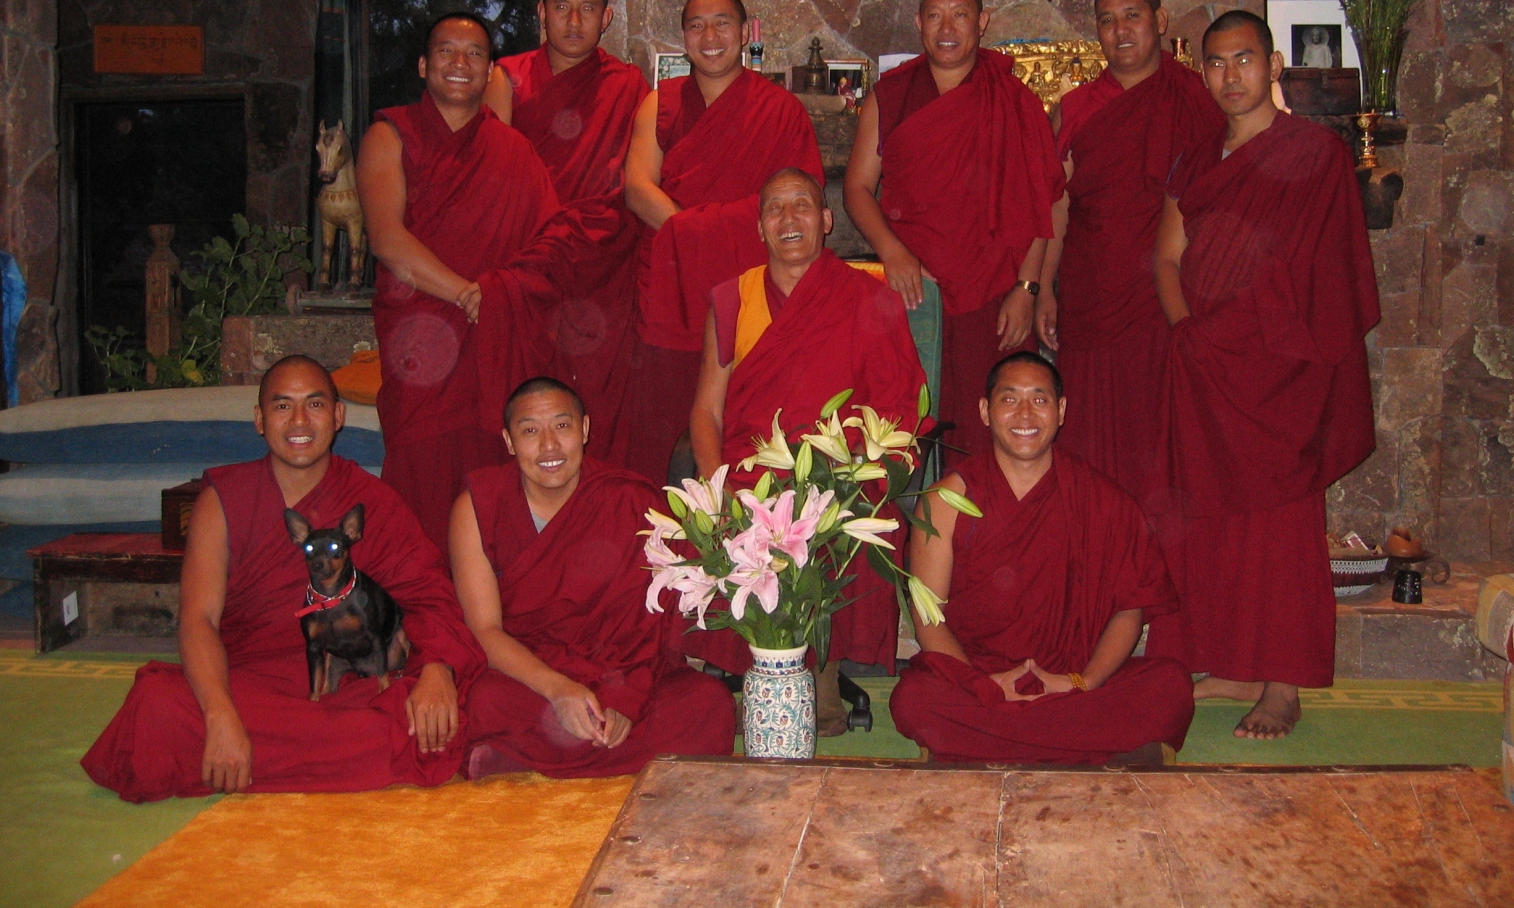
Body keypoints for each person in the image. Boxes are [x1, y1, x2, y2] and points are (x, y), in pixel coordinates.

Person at [82, 356, 483, 802]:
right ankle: (276, 749)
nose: (299, 421)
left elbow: (429, 596)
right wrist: (220, 716)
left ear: (338, 416)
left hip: (338, 681)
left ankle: (251, 757)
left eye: (315, 404)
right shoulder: (223, 501)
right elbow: (198, 620)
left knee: (426, 713)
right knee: (158, 703)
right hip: (247, 682)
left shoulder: (372, 502)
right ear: (259, 419)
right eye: (282, 406)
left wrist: (437, 669)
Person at [1148, 10, 1378, 739]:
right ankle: (1232, 663)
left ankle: (1284, 683)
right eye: (1216, 63)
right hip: (1203, 363)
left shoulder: (1315, 154)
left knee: (1282, 527)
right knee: (1204, 521)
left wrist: (1249, 341)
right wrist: (1188, 331)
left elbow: (1327, 276)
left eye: (1244, 59)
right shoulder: (1197, 158)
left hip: (1279, 372)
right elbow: (1166, 256)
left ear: (1273, 65)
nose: (1230, 76)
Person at [687, 167, 926, 724]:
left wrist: (857, 474)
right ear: (760, 228)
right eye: (774, 208)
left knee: (844, 520)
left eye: (801, 205)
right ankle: (760, 663)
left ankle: (822, 668)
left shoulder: (868, 298)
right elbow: (706, 410)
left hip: (839, 473)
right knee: (734, 522)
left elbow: (899, 407)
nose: (788, 218)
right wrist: (714, 488)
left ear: (826, 220)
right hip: (751, 473)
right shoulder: (734, 298)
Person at [889, 352, 1195, 764]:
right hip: (978, 681)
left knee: (1170, 687)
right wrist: (983, 686)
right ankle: (1084, 743)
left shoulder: (1101, 499)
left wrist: (1083, 682)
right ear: (985, 411)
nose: (1025, 414)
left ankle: (998, 742)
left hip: (1070, 684)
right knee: (913, 699)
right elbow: (929, 616)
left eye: (1040, 399)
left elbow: (1130, 610)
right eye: (1009, 399)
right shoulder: (945, 501)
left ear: (1061, 410)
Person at [449, 377, 735, 777]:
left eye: (562, 426)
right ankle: (582, 756)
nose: (549, 445)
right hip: (532, 676)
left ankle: (520, 759)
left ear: (584, 429)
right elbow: (484, 630)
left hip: (621, 674)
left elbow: (647, 629)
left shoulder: (628, 501)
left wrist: (622, 700)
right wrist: (559, 690)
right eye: (530, 431)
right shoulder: (479, 507)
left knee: (708, 702)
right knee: (483, 700)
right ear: (509, 441)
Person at [357, 13, 561, 552]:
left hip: (492, 344)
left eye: (474, 54)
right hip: (421, 345)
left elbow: (547, 248)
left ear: (490, 71)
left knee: (493, 485)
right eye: (446, 51)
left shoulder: (513, 151)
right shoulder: (388, 136)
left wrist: (497, 297)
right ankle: (421, 599)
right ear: (424, 65)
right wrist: (469, 294)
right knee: (420, 481)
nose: (460, 63)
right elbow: (387, 239)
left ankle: (489, 597)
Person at [844, 0, 1062, 460]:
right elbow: (857, 189)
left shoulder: (1014, 100)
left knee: (994, 428)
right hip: (914, 288)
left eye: (960, 14)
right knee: (908, 425)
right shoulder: (891, 94)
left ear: (982, 22)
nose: (947, 28)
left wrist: (1027, 289)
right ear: (918, 22)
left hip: (996, 292)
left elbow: (1038, 203)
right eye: (935, 15)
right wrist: (892, 252)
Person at [622, 0, 823, 481]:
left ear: (745, 32)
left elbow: (797, 207)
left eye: (722, 23)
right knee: (668, 413)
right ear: (683, 37)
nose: (709, 36)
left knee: (750, 414)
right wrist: (694, 234)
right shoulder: (660, 103)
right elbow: (637, 187)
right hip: (672, 278)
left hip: (751, 280)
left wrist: (697, 232)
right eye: (696, 26)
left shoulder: (780, 110)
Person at [1035, 0, 1218, 499]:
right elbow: (1056, 204)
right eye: (1107, 20)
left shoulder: (1197, 99)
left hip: (1172, 297)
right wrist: (1043, 288)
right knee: (1094, 437)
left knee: (1165, 437)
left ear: (1159, 21)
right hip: (1095, 292)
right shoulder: (1078, 108)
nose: (1120, 30)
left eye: (1132, 15)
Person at [486, 0, 650, 465]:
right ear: (541, 12)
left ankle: (599, 492)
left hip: (602, 260)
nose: (574, 22)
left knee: (602, 391)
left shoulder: (627, 83)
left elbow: (639, 177)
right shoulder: (507, 77)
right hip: (530, 253)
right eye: (561, 7)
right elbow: (493, 176)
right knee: (526, 385)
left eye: (587, 10)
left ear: (607, 18)